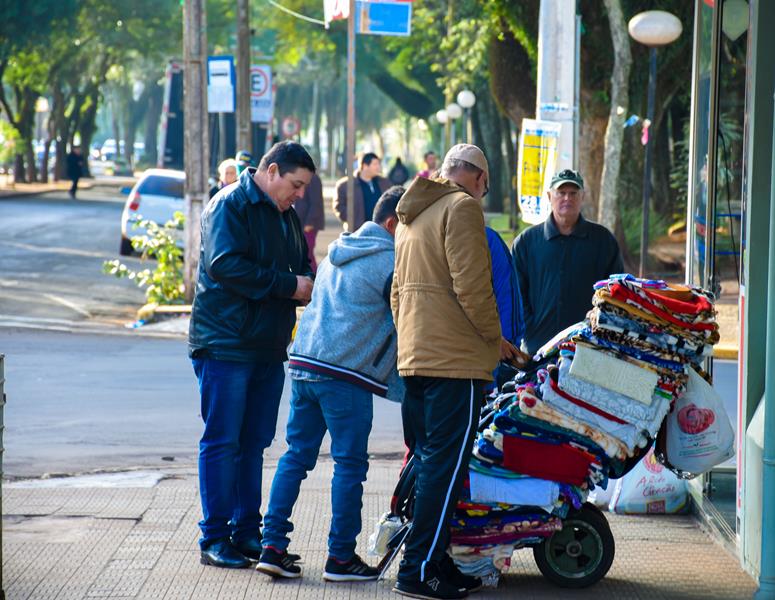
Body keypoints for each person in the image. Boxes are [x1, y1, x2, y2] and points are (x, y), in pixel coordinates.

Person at [257, 186, 405, 582]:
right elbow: (406, 320)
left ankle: (271, 546)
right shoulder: (391, 261)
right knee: (350, 465)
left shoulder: (339, 249)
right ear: (392, 224)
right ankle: (340, 557)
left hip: (304, 364)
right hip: (345, 375)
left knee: (296, 456)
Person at [188, 141, 316, 570]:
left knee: (255, 443)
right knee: (223, 441)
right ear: (272, 170)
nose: (299, 195)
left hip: (266, 346)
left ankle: (246, 533)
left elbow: (304, 267)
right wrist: (289, 285)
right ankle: (214, 538)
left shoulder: (287, 216)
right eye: (296, 185)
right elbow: (225, 265)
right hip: (225, 343)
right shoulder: (230, 205)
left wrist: (305, 282)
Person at [391, 144, 504, 600]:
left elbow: (396, 293)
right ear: (477, 178)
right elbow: (473, 287)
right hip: (455, 362)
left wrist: (412, 339)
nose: (482, 194)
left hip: (415, 356)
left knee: (430, 461)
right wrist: (495, 342)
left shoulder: (412, 215)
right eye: (485, 186)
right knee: (445, 467)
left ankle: (435, 563)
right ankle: (417, 570)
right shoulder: (461, 209)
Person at [511, 168, 624, 356]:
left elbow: (617, 292)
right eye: (561, 193)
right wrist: (530, 329)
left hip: (588, 348)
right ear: (549, 196)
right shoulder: (526, 242)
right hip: (538, 347)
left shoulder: (603, 241)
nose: (567, 198)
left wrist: (598, 328)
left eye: (573, 193)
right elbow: (515, 293)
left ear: (583, 197)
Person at [333, 152, 389, 231]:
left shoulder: (384, 183)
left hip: (380, 231)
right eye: (375, 164)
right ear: (365, 166)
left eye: (378, 164)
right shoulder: (345, 185)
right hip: (356, 231)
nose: (378, 167)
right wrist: (352, 220)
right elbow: (339, 207)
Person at [293, 172, 325, 272]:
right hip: (298, 222)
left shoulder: (313, 178)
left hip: (307, 224)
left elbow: (316, 203)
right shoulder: (298, 175)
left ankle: (313, 280)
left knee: (307, 254)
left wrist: (309, 223)